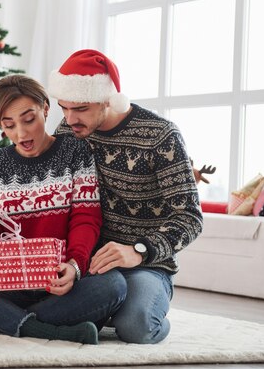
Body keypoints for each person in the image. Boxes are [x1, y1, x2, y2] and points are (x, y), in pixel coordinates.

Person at [0, 74, 127, 345]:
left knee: (113, 286)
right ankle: (45, 329)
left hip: (61, 285)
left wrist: (74, 266)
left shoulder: (76, 152)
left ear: (45, 109)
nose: (21, 134)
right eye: (9, 125)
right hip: (10, 286)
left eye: (29, 119)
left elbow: (86, 218)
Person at [45, 49, 203, 344]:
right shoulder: (69, 131)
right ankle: (105, 310)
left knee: (137, 326)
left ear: (107, 99)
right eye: (63, 107)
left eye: (80, 109)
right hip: (89, 263)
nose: (69, 118)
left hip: (146, 265)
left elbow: (190, 218)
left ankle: (122, 312)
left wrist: (139, 250)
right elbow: (50, 189)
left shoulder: (161, 135)